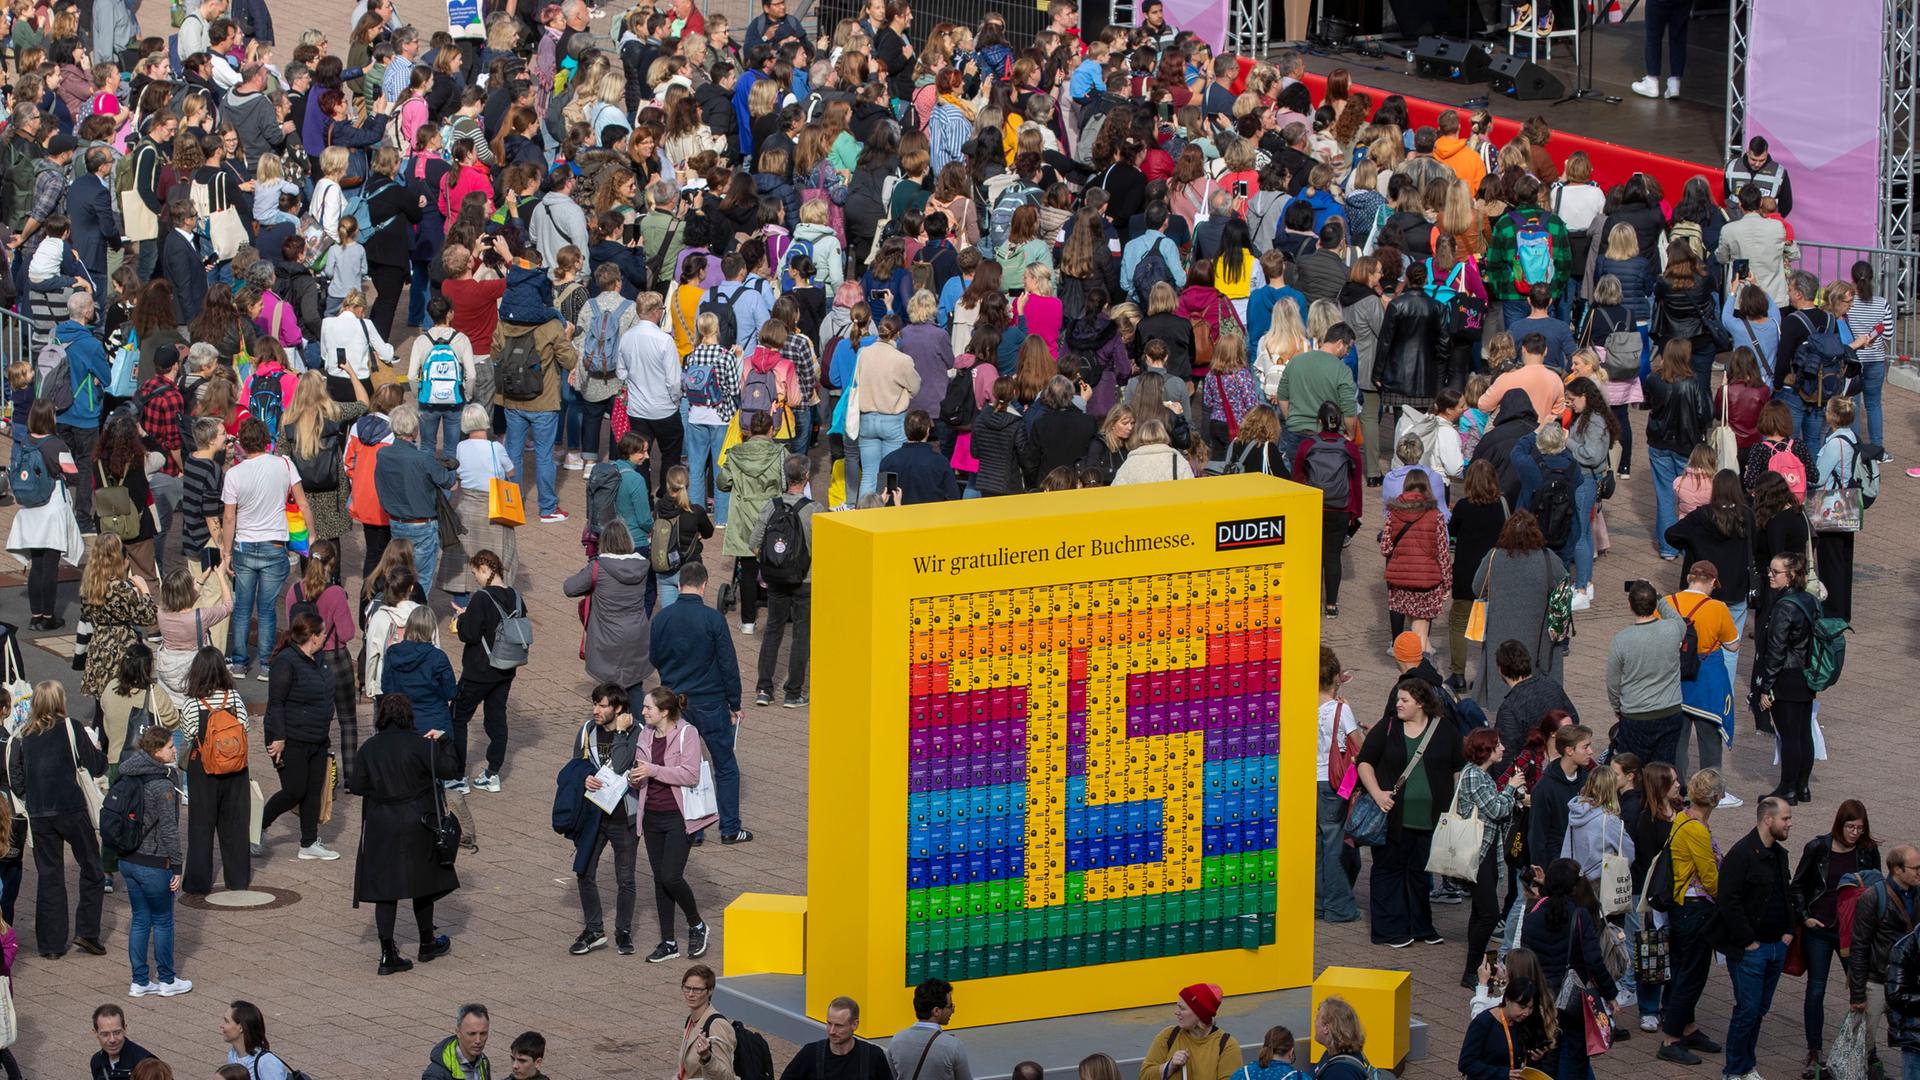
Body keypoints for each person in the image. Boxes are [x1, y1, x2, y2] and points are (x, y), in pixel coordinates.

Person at [348, 695, 462, 976]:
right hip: (418, 823)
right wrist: (445, 740)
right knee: (422, 883)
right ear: (408, 717)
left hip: (381, 825)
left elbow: (359, 786)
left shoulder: (369, 748)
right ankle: (427, 942)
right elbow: (450, 769)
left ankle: (388, 953)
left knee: (385, 891)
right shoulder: (421, 745)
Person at [1355, 678, 1464, 948]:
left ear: (1422, 703)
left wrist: (1456, 804)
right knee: (1388, 870)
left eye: (1405, 700)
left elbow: (1457, 769)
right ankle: (1389, 929)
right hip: (1393, 817)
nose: (1398, 704)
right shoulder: (1388, 727)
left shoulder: (1445, 730)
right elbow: (1364, 762)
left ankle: (1421, 926)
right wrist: (1378, 793)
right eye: (1398, 699)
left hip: (1430, 819)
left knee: (1419, 872)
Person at [8, 680, 107, 958]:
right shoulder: (70, 727)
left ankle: (51, 945)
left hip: (40, 814)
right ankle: (87, 932)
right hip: (70, 808)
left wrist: (32, 793)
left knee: (49, 876)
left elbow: (17, 779)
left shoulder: (23, 734)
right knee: (92, 868)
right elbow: (96, 764)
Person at [650, 562, 745, 845]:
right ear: (704, 585)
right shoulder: (713, 619)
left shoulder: (662, 618)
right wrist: (735, 702)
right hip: (711, 701)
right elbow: (728, 663)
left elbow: (654, 656)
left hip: (676, 703)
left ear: (679, 585)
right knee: (724, 764)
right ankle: (729, 827)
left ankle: (693, 828)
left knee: (684, 766)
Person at [1793, 801, 1882, 1076]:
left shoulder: (1868, 851)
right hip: (1819, 928)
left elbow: (1876, 885)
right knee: (1816, 989)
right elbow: (1798, 886)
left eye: (1860, 828)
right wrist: (1805, 915)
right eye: (1850, 827)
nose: (1855, 833)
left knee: (1862, 989)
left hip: (1851, 933)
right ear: (1839, 824)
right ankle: (1814, 1051)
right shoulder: (1818, 848)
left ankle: (1867, 1051)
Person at [220, 418, 313, 681]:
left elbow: (229, 518)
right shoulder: (283, 464)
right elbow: (303, 503)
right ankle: (266, 664)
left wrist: (227, 553)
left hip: (245, 546)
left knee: (242, 607)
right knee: (267, 608)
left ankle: (239, 662)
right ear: (266, 440)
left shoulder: (235, 474)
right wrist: (312, 534)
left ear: (242, 443)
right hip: (275, 545)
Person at [1718, 798, 1799, 1079]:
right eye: (1785, 818)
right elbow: (1728, 900)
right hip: (1751, 949)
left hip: (1776, 945)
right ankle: (1733, 1070)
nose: (1789, 823)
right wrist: (1747, 941)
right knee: (1747, 1011)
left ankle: (1747, 1065)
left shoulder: (1779, 854)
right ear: (1768, 820)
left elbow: (1784, 893)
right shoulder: (1741, 854)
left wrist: (1789, 931)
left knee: (1759, 1010)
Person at [633, 687, 715, 962]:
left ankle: (697, 924)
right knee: (659, 880)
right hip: (652, 815)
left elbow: (691, 774)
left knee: (671, 875)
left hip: (679, 817)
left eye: (648, 708)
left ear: (664, 711)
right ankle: (668, 941)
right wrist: (635, 776)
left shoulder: (687, 733)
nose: (643, 712)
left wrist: (653, 770)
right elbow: (641, 768)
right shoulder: (645, 733)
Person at [1521, 859, 1619, 1079]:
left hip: (1542, 999)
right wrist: (1610, 994)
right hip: (1574, 1000)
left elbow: (1526, 958)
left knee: (1547, 1056)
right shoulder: (1579, 916)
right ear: (1574, 886)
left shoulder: (1532, 916)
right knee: (1574, 1056)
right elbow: (1594, 961)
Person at [258, 612, 341, 860]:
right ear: (313, 637)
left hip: (317, 738)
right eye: (323, 633)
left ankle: (308, 842)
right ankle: (257, 826)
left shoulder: (319, 658)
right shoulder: (286, 662)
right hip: (290, 738)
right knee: (294, 790)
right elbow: (276, 704)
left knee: (313, 790)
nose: (326, 637)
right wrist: (279, 738)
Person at [1658, 768, 1727, 1065]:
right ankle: (1671, 1038)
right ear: (1715, 798)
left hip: (1682, 906)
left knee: (1684, 968)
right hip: (1694, 907)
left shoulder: (1683, 817)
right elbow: (1709, 877)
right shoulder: (1696, 829)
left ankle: (1688, 1027)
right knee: (1691, 974)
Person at [1470, 512, 1565, 717]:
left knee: (1502, 690)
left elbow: (1477, 587)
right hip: (1538, 636)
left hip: (1499, 632)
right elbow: (1563, 589)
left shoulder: (1494, 557)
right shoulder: (1547, 558)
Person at [569, 682, 639, 955]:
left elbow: (621, 763)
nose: (595, 710)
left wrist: (620, 731)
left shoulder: (637, 733)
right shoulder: (587, 731)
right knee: (584, 871)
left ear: (618, 708)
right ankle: (594, 929)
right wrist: (583, 777)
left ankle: (623, 930)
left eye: (602, 705)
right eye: (594, 704)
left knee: (626, 879)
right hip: (594, 815)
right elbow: (576, 764)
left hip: (624, 816)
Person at [750, 454, 816, 710]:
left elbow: (754, 543)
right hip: (805, 580)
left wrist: (771, 564)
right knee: (801, 635)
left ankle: (764, 688)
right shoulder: (814, 510)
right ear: (807, 476)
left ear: (785, 477)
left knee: (773, 630)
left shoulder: (771, 505)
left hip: (776, 579)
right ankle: (793, 692)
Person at [450, 550, 520, 792]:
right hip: (505, 669)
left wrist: (461, 619)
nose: (475, 578)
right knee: (497, 718)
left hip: (478, 671)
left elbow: (469, 634)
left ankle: (458, 775)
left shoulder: (481, 598)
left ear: (483, 568)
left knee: (457, 717)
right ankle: (493, 773)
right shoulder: (515, 596)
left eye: (475, 573)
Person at [1454, 727, 1519, 988]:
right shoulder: (1474, 776)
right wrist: (1512, 790)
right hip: (1477, 852)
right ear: (1486, 750)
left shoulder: (1482, 775)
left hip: (1487, 850)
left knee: (1481, 912)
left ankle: (1478, 968)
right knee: (1490, 914)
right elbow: (1497, 809)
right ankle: (1472, 969)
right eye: (1498, 744)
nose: (1502, 748)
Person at [564, 520, 656, 699]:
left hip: (607, 637)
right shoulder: (642, 566)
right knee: (635, 687)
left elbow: (570, 588)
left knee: (608, 692)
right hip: (637, 633)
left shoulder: (598, 567)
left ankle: (612, 725)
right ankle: (638, 725)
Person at [1757, 552, 1820, 804]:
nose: (1770, 576)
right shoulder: (1809, 599)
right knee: (1804, 733)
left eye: (1776, 572)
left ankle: (1788, 788)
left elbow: (1776, 649)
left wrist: (1766, 686)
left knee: (1789, 735)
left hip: (1786, 675)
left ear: (1791, 575)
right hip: (1805, 673)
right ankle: (1803, 787)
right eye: (1770, 570)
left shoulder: (1784, 606)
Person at [1850, 844, 1920, 1071]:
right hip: (1877, 980)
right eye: (1915, 868)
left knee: (1911, 1040)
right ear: (1897, 870)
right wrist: (1858, 993)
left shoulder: (1918, 894)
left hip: (1907, 982)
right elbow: (1859, 946)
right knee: (1864, 1041)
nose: (1919, 872)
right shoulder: (1873, 898)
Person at [1292, 402, 1362, 617]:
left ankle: (1311, 601)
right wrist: (1355, 513)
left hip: (1314, 505)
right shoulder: (1349, 448)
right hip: (1340, 508)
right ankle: (1331, 605)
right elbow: (1356, 483)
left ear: (1319, 421)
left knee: (1312, 556)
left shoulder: (1307, 445)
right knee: (1333, 556)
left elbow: (1297, 477)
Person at [1380, 470, 1449, 654]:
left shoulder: (1393, 514)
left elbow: (1385, 548)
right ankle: (1422, 670)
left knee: (1416, 631)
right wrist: (1447, 583)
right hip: (1427, 580)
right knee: (1421, 632)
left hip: (1400, 580)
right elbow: (1443, 552)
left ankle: (1414, 664)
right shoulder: (1435, 515)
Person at [1315, 647, 1362, 925]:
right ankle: (1339, 906)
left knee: (1316, 848)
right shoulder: (1339, 710)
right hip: (1332, 785)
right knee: (1335, 847)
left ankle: (1317, 903)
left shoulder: (1297, 704)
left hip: (1305, 783)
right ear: (1335, 677)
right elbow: (1359, 745)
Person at [1812, 396, 1864, 622]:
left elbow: (1819, 476)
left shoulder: (1835, 443)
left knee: (1830, 560)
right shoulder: (1852, 437)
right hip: (1848, 504)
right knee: (1843, 560)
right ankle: (1843, 609)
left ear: (1833, 416)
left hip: (1832, 507)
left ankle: (1832, 610)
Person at [1137, 983, 1240, 1080]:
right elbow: (1144, 1076)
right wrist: (1170, 1066)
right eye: (1177, 1005)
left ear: (1200, 1015)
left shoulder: (1227, 1046)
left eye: (1182, 1008)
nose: (1176, 1012)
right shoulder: (1168, 1036)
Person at [776, 996, 893, 1080]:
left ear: (855, 1025)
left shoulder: (873, 1056)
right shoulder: (810, 1054)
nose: (832, 1031)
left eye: (839, 1026)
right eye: (829, 1023)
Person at [1458, 978, 1542, 1080]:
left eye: (1531, 1008)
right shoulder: (1483, 1022)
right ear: (1507, 999)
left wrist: (1534, 1059)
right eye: (1522, 1006)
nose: (1526, 1013)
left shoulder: (1526, 1022)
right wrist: (1504, 1074)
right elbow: (1466, 1063)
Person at [677, 964, 736, 1080]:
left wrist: (707, 1057)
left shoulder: (717, 1025)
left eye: (697, 990)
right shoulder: (691, 1020)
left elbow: (727, 1077)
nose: (690, 994)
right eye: (687, 988)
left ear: (709, 991)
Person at [223, 1000, 298, 1078]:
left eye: (227, 1021)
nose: (221, 1025)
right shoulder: (233, 1055)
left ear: (241, 1027)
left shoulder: (267, 1063)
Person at [425, 1004, 492, 1080]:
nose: (478, 1040)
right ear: (458, 1032)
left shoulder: (483, 1062)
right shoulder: (436, 1074)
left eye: (483, 1034)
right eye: (472, 1034)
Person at [1310, 998, 1373, 1079]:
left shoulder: (1339, 1072)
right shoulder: (1335, 1054)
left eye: (1317, 1017)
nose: (1315, 1021)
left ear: (1326, 1028)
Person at [90, 1005, 155, 1080]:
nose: (112, 1040)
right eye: (105, 1034)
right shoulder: (96, 1061)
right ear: (95, 1033)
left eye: (117, 1032)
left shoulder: (144, 1063)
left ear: (125, 1029)